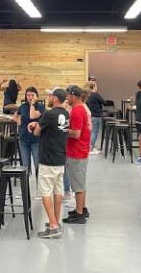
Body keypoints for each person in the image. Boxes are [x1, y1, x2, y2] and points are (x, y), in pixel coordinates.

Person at [28, 88, 69, 238]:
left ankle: (52, 225)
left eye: (51, 95)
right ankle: (56, 222)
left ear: (56, 99)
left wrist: (34, 127)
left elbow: (37, 132)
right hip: (60, 157)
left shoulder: (49, 114)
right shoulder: (65, 113)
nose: (49, 97)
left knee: (45, 192)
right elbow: (55, 129)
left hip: (48, 158)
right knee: (58, 191)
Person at [62, 85, 91, 225]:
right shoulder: (79, 109)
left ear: (74, 96)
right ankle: (81, 208)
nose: (66, 98)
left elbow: (76, 133)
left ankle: (79, 214)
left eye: (68, 96)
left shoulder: (77, 111)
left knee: (78, 185)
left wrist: (62, 130)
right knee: (79, 182)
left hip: (77, 152)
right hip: (79, 150)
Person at [15, 87, 44, 174]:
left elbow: (33, 116)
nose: (30, 97)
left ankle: (40, 187)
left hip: (36, 140)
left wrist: (33, 104)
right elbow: (15, 116)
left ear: (36, 96)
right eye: (28, 95)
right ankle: (25, 186)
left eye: (32, 95)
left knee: (37, 165)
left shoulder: (40, 107)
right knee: (25, 167)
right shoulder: (22, 106)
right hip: (24, 139)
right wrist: (19, 123)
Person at [85, 81, 106, 154]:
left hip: (88, 115)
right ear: (94, 87)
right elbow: (104, 102)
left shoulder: (86, 95)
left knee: (89, 132)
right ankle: (90, 149)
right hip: (96, 115)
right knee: (94, 132)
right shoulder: (96, 94)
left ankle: (87, 147)